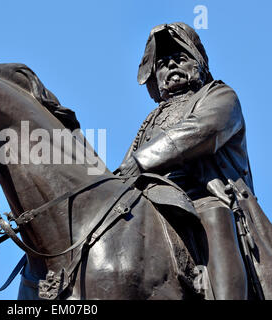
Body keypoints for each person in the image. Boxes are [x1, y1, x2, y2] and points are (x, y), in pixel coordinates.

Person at [117, 22, 272, 299]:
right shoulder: (150, 120)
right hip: (152, 199)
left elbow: (203, 129)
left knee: (213, 213)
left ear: (198, 64)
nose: (172, 67)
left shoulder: (220, 96)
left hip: (202, 194)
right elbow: (125, 168)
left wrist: (141, 161)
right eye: (163, 63)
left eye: (180, 59)